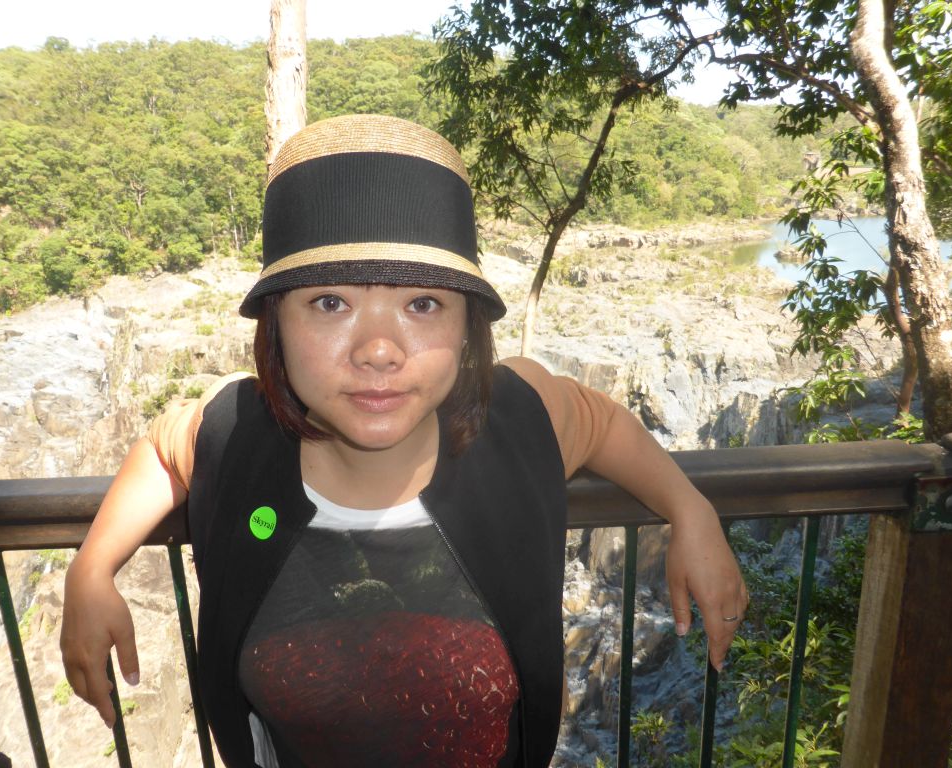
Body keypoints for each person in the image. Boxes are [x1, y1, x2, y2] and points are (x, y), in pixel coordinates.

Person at [60, 114, 748, 768]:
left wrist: (692, 511)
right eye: (331, 303)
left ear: (466, 329)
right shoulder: (238, 434)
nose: (380, 350)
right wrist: (91, 569)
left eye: (423, 304)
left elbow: (599, 420)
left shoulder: (514, 422)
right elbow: (161, 446)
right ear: (276, 325)